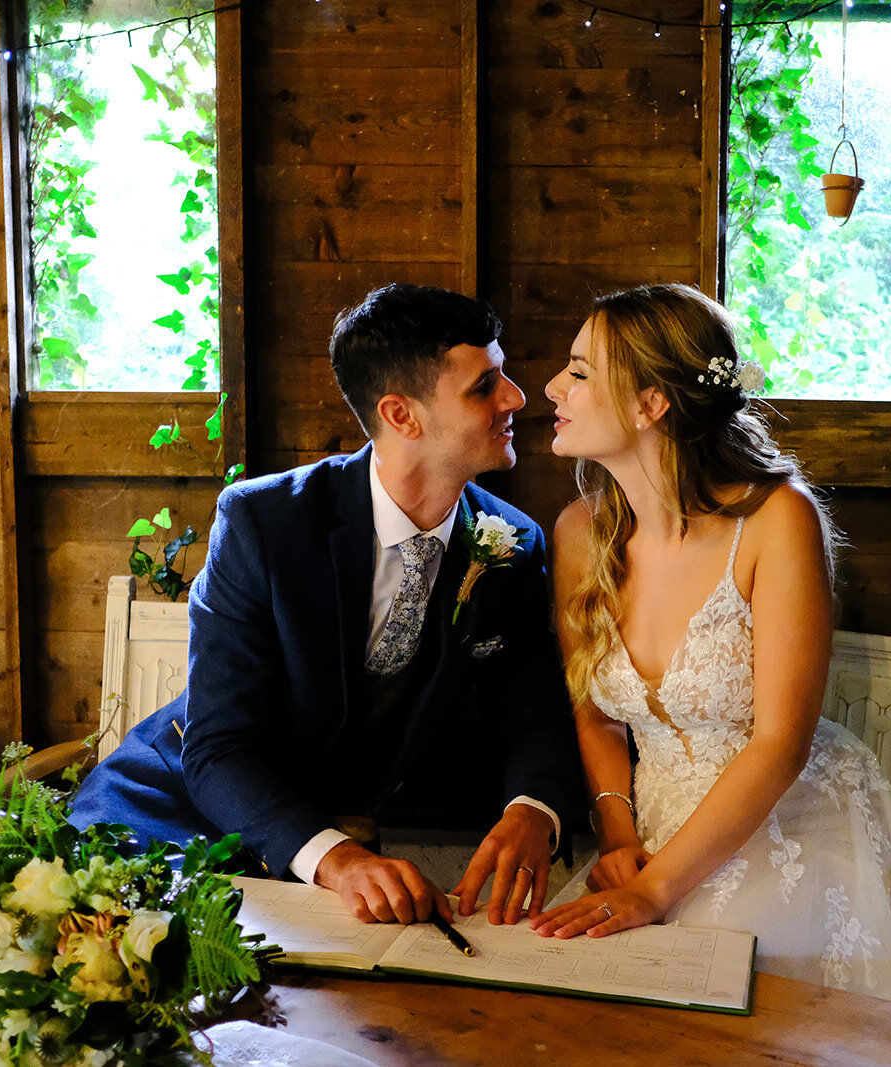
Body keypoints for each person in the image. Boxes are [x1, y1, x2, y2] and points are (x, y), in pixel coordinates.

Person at [70, 284, 584, 928]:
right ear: (402, 415)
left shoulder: (512, 543)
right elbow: (219, 746)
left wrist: (533, 808)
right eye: (485, 385)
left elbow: (533, 710)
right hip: (183, 810)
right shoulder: (266, 522)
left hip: (356, 837)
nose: (516, 397)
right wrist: (336, 861)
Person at [528, 283, 891, 1001]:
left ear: (651, 403)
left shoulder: (778, 521)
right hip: (646, 827)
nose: (552, 385)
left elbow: (781, 742)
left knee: (706, 987)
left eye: (580, 371)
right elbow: (593, 713)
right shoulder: (576, 533)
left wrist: (657, 888)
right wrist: (621, 841)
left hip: (784, 820)